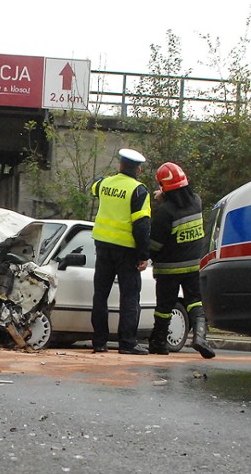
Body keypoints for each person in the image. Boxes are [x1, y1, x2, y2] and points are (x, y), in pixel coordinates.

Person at [148, 162, 215, 358]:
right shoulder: (196, 201)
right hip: (193, 265)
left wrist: (146, 256)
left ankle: (159, 342)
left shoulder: (165, 212)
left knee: (164, 308)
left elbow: (155, 244)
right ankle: (201, 337)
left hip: (168, 269)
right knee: (195, 302)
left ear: (163, 187)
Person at [90, 148, 151, 355]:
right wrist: (144, 255)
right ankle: (127, 343)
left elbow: (94, 186)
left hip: (103, 247)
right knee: (129, 297)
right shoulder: (139, 191)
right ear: (138, 170)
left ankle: (99, 342)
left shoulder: (104, 184)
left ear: (120, 165)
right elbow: (142, 226)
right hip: (127, 251)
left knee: (100, 295)